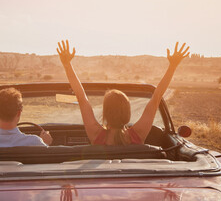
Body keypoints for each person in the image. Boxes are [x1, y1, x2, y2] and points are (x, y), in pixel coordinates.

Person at [57, 40, 189, 145]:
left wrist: (67, 65)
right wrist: (172, 66)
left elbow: (81, 98)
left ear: (105, 113)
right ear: (128, 113)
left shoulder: (96, 134)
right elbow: (157, 97)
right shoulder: (139, 132)